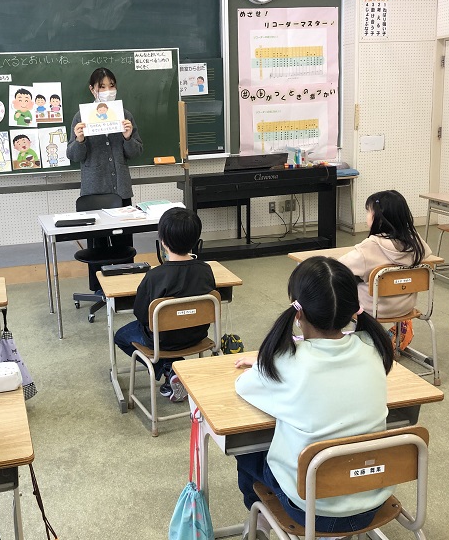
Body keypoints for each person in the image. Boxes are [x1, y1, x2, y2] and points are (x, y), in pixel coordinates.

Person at [233, 257, 394, 539]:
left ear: (298, 313)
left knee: (248, 448)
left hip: (312, 511)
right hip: (372, 500)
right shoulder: (373, 348)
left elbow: (243, 386)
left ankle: (258, 520)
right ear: (351, 310)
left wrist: (265, 361)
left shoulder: (288, 363)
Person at [113, 207, 214, 402]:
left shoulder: (154, 276)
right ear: (196, 240)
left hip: (162, 342)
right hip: (197, 336)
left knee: (121, 336)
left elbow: (142, 315)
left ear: (163, 242)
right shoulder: (206, 270)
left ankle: (169, 368)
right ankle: (175, 368)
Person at [67, 67, 143, 291]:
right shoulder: (81, 118)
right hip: (93, 192)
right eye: (102, 87)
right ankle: (99, 288)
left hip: (120, 190)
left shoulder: (125, 115)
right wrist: (79, 140)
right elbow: (73, 156)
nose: (108, 90)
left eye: (112, 85)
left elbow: (136, 152)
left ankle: (127, 287)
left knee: (123, 243)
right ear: (93, 90)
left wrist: (128, 137)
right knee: (97, 244)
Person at [338, 190, 432, 350]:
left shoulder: (369, 247)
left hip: (371, 309)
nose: (367, 215)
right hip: (405, 307)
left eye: (368, 211)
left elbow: (338, 268)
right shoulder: (416, 243)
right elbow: (428, 255)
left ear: (378, 218)